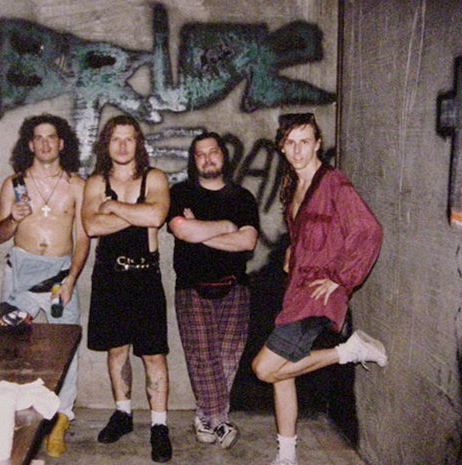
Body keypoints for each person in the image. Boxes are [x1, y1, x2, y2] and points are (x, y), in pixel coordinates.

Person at [251, 113, 386, 465]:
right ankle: (287, 455)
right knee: (283, 373)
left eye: (305, 141)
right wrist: (292, 252)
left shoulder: (334, 182)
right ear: (282, 147)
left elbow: (368, 230)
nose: (297, 150)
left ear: (317, 144)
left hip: (318, 295)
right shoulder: (294, 186)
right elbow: (310, 234)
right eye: (290, 142)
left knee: (265, 368)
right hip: (296, 291)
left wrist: (342, 278)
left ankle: (349, 351)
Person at [0, 114, 89, 457]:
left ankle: (61, 419)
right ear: (30, 144)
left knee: (68, 346)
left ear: (62, 143)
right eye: (38, 137)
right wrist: (12, 218)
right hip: (21, 270)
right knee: (11, 348)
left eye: (52, 137)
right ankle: (16, 418)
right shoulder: (14, 183)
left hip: (60, 274)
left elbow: (83, 238)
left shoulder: (77, 185)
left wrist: (72, 278)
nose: (45, 143)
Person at [81, 114, 172, 463]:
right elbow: (92, 226)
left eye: (129, 139)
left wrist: (114, 208)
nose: (122, 146)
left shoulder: (154, 177)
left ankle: (159, 425)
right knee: (116, 350)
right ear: (106, 144)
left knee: (153, 354)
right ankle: (123, 413)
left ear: (138, 143)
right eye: (115, 139)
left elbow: (156, 217)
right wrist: (138, 212)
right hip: (109, 276)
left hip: (145, 276)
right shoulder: (95, 182)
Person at [167, 131, 259, 449]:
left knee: (228, 357)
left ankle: (204, 416)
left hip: (236, 286)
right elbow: (181, 230)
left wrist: (201, 232)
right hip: (191, 286)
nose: (207, 158)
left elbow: (247, 241)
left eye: (213, 151)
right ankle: (220, 420)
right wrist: (226, 227)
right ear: (193, 160)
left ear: (223, 155)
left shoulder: (242, 197)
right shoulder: (180, 192)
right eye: (200, 154)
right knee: (203, 357)